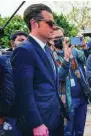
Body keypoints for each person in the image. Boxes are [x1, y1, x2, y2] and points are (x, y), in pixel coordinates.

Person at [11, 4, 66, 135]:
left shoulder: (46, 48)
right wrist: (36, 123)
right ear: (34, 23)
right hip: (39, 124)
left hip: (54, 119)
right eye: (49, 23)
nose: (53, 27)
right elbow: (24, 92)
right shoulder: (24, 50)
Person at [50, 26, 91, 136]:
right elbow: (60, 76)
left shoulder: (73, 51)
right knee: (68, 131)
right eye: (56, 38)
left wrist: (84, 46)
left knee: (79, 130)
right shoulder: (50, 56)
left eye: (62, 37)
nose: (60, 40)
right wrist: (67, 58)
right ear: (50, 40)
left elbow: (86, 59)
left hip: (81, 97)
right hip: (66, 101)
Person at [0, 31, 28, 136]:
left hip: (28, 115)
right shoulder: (3, 61)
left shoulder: (31, 61)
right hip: (9, 116)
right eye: (20, 40)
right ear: (12, 43)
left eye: (26, 41)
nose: (24, 43)